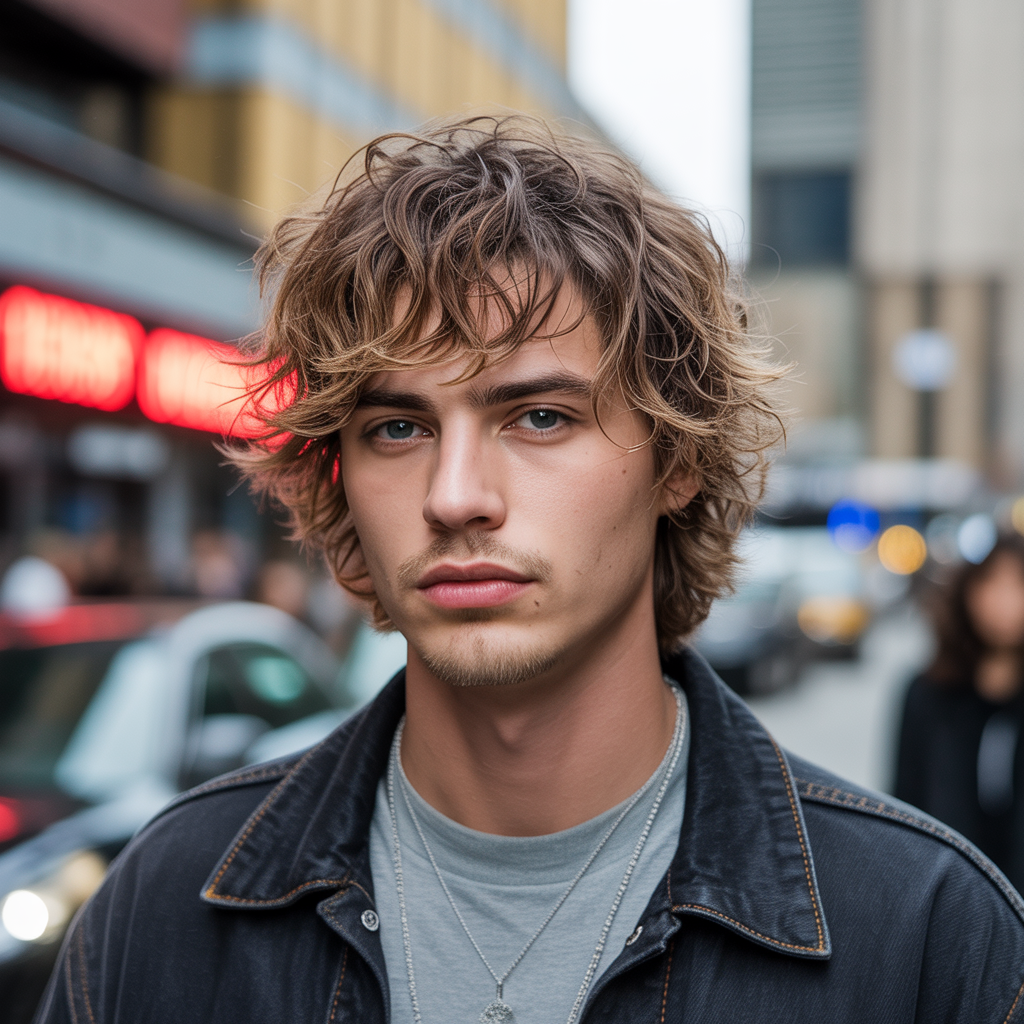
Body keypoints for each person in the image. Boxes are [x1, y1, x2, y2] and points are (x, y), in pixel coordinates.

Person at [36, 115, 1023, 1024]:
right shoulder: (163, 906)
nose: (455, 493)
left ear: (675, 458)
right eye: (396, 426)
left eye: (538, 416)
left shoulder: (925, 936)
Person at [897, 533, 1024, 890]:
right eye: (991, 582)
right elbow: (903, 797)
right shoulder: (928, 692)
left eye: (1018, 584)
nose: (1004, 601)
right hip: (949, 892)